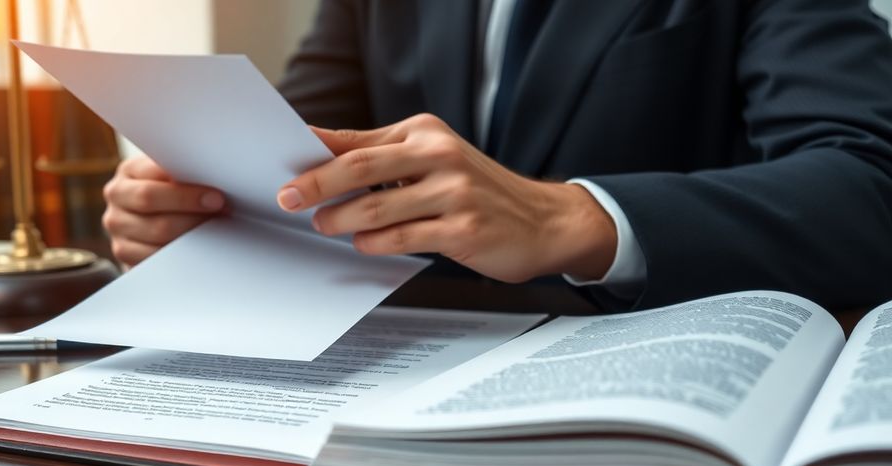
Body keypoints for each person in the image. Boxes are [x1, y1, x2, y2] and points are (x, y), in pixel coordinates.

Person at [101, 0, 892, 311]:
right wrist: (199, 209)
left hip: (654, 394)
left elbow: (870, 182)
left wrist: (572, 218)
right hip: (381, 387)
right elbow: (288, 154)